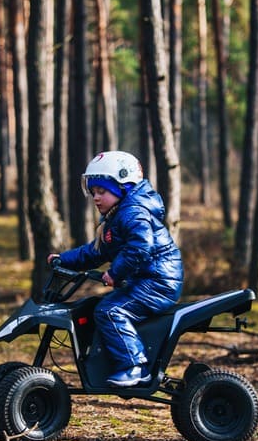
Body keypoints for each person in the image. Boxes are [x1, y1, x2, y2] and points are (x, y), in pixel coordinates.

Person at [48, 151, 183, 387]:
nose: (96, 198)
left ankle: (135, 367)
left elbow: (140, 248)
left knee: (110, 311)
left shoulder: (133, 214)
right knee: (96, 308)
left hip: (159, 282)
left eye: (102, 191)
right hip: (144, 281)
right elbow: (96, 253)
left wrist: (114, 273)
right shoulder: (115, 217)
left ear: (123, 188)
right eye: (93, 193)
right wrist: (65, 259)